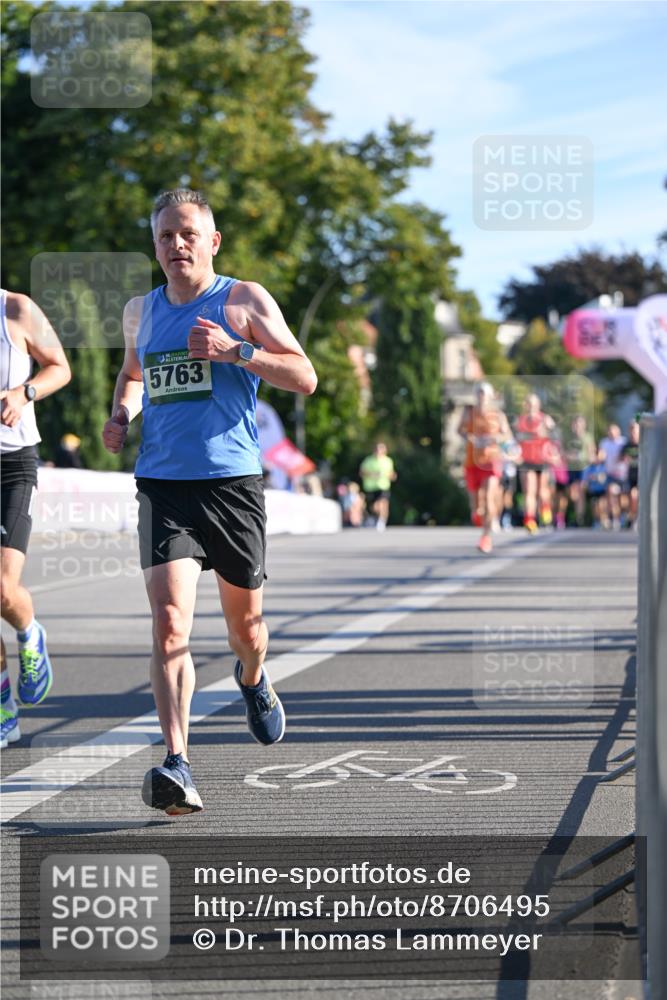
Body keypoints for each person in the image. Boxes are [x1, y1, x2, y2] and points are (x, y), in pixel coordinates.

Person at [102, 188, 317, 814]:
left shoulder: (242, 299)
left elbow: (305, 375)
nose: (177, 246)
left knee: (245, 629)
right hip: (163, 484)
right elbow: (133, 376)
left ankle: (252, 677)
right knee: (169, 625)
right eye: (166, 236)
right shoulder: (140, 311)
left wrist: (237, 351)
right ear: (156, 244)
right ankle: (178, 761)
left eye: (189, 234)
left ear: (212, 241)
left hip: (232, 486)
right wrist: (121, 413)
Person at [1, 290, 71, 748]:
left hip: (12, 465)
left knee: (2, 587)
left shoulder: (16, 310)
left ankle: (30, 633)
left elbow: (60, 368)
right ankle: (3, 706)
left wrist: (23, 393)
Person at [459, 382, 512, 553]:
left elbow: (507, 435)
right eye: (479, 392)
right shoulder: (469, 412)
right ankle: (478, 516)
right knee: (476, 506)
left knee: (489, 499)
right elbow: (459, 430)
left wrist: (496, 438)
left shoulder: (498, 415)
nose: (482, 395)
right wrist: (470, 438)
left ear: (490, 396)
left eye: (484, 393)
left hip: (492, 461)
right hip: (472, 461)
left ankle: (486, 538)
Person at [514, 393, 557, 534]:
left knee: (542, 491)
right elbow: (514, 440)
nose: (531, 406)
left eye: (533, 404)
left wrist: (546, 430)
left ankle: (545, 508)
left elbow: (554, 435)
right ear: (525, 405)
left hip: (542, 459)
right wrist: (515, 454)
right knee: (529, 491)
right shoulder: (520, 421)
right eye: (528, 403)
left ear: (538, 405)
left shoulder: (544, 419)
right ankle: (530, 520)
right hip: (526, 460)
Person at [563, 415, 596, 527]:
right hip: (571, 468)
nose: (577, 427)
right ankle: (574, 515)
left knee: (580, 492)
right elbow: (564, 453)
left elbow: (592, 454)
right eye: (576, 424)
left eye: (580, 424)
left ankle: (579, 518)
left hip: (583, 468)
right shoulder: (569, 438)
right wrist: (569, 456)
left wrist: (586, 458)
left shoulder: (587, 437)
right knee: (572, 494)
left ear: (584, 425)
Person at [359, 442, 396, 531]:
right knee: (374, 507)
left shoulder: (388, 461)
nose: (378, 451)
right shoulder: (368, 460)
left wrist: (391, 476)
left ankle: (382, 521)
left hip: (383, 486)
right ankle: (376, 518)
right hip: (370, 487)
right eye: (377, 449)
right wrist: (372, 474)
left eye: (381, 449)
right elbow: (362, 473)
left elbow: (391, 474)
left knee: (383, 503)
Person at [599, 423, 626, 530]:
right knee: (611, 494)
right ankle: (615, 519)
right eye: (610, 431)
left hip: (623, 475)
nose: (612, 433)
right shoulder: (604, 443)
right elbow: (601, 455)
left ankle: (624, 516)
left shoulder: (623, 442)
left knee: (623, 499)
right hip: (610, 474)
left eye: (614, 431)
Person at [618, 420, 640, 529]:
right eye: (631, 430)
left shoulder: (644, 444)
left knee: (634, 495)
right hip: (629, 477)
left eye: (635, 430)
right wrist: (624, 459)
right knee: (626, 498)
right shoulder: (626, 445)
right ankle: (630, 517)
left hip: (642, 478)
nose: (633, 433)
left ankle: (635, 517)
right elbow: (620, 459)